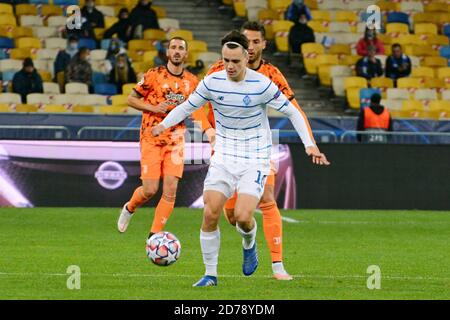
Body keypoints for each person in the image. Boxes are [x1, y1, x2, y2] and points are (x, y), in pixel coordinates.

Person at [151, 31, 330, 287]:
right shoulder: (213, 81)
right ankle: (210, 275)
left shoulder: (262, 85)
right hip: (224, 155)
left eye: (235, 61)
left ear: (247, 57)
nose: (230, 66)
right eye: (226, 60)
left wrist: (310, 145)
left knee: (244, 217)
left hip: (255, 157)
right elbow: (187, 106)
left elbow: (293, 112)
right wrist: (163, 125)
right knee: (211, 213)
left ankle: (249, 243)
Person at [204, 23, 318, 281]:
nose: (251, 47)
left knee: (267, 200)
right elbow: (198, 104)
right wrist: (207, 129)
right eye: (247, 42)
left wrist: (309, 142)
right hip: (225, 148)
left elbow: (293, 109)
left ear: (264, 44)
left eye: (256, 42)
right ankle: (248, 241)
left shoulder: (271, 74)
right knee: (233, 217)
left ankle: (278, 266)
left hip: (257, 148)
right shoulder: (219, 69)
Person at [117, 37, 214, 238]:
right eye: (173, 48)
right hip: (151, 137)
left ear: (186, 54)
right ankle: (129, 208)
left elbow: (197, 111)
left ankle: (154, 235)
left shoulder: (192, 82)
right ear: (168, 53)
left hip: (176, 140)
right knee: (150, 189)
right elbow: (131, 99)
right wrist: (153, 108)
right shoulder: (154, 75)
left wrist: (208, 131)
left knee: (170, 191)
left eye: (181, 48)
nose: (177, 51)